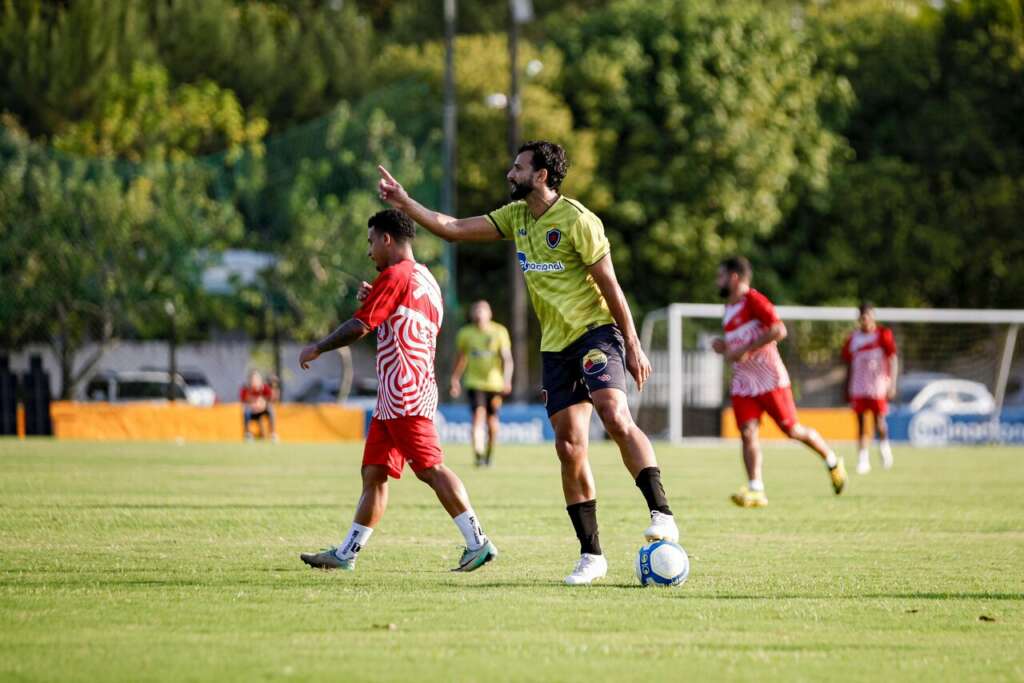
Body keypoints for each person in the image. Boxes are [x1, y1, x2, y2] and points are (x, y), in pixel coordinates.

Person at [378, 140, 679, 586]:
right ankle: (592, 555)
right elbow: (453, 228)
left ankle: (662, 513)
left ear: (541, 175)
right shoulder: (516, 216)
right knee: (568, 447)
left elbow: (611, 286)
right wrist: (405, 203)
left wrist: (632, 344)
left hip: (595, 332)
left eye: (518, 168)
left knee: (614, 414)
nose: (510, 174)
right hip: (555, 347)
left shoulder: (578, 221)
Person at [296, 209, 498, 573]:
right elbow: (409, 318)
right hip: (399, 394)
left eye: (371, 241)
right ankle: (346, 554)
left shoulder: (396, 275)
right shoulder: (426, 278)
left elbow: (361, 326)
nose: (369, 250)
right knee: (374, 473)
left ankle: (477, 541)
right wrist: (378, 295)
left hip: (404, 391)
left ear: (387, 239)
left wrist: (318, 347)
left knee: (431, 468)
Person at [711, 256, 847, 507]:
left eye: (720, 276)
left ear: (734, 277)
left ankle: (832, 460)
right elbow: (737, 347)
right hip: (744, 383)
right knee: (747, 433)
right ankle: (756, 489)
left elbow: (778, 330)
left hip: (770, 379)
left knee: (792, 430)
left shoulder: (753, 300)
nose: (717, 281)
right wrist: (725, 348)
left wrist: (746, 350)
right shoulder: (728, 308)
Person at [451, 300, 513, 467]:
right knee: (478, 416)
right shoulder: (465, 333)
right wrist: (455, 379)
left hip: (495, 385)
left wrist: (507, 379)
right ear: (472, 314)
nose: (479, 314)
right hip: (474, 382)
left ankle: (489, 454)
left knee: (492, 421)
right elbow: (461, 358)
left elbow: (507, 358)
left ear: (489, 314)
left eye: (482, 310)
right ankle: (478, 454)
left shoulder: (499, 332)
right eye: (476, 311)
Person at [842, 302, 898, 474]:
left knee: (879, 421)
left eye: (868, 315)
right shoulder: (853, 339)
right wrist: (846, 386)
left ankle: (884, 447)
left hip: (878, 385)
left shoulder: (883, 335)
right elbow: (848, 364)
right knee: (860, 423)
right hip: (858, 386)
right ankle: (863, 459)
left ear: (873, 316)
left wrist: (892, 383)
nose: (865, 319)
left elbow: (893, 359)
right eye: (862, 316)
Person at [241, 370, 277, 442]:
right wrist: (252, 405)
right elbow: (244, 403)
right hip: (252, 412)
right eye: (253, 379)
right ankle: (247, 434)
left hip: (262, 410)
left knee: (270, 409)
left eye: (257, 379)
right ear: (250, 381)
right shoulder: (246, 389)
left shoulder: (265, 388)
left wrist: (264, 404)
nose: (255, 381)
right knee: (246, 412)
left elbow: (270, 400)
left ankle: (273, 434)